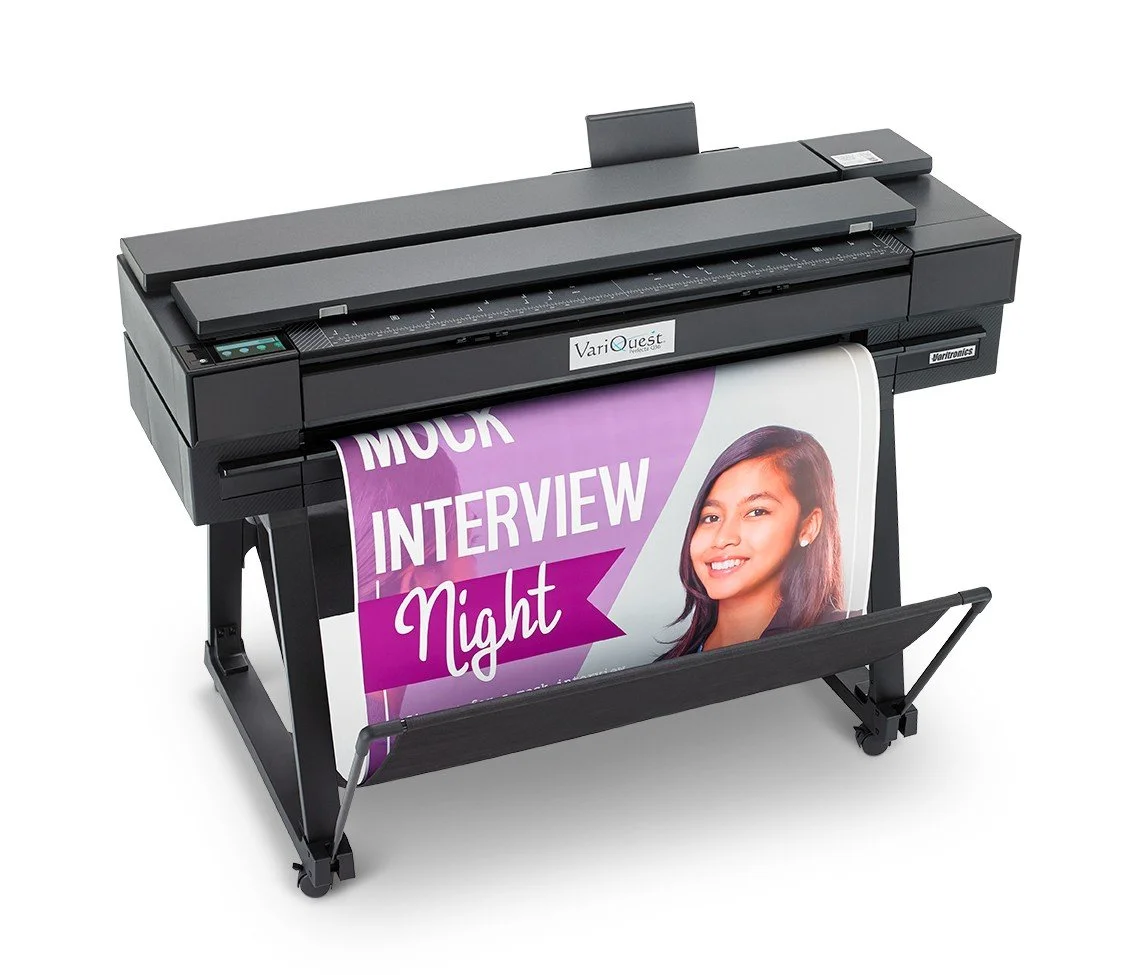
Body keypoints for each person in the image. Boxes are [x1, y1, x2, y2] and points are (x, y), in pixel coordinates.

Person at [658, 425, 845, 659]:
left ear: (808, 526)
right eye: (711, 517)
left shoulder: (843, 644)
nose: (723, 538)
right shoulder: (664, 668)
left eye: (756, 512)